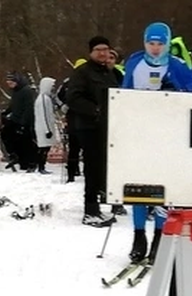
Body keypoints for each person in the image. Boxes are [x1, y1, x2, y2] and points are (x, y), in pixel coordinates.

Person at [122, 22, 192, 262]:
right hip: (140, 133)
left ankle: (159, 237)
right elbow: (123, 96)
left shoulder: (178, 67)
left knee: (163, 188)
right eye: (150, 43)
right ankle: (138, 235)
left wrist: (175, 93)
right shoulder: (134, 63)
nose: (155, 49)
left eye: (160, 44)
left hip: (169, 137)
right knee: (138, 187)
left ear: (167, 43)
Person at [66, 36, 119, 226]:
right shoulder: (82, 72)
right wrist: (95, 110)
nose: (102, 53)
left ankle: (98, 205)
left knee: (102, 168)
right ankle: (90, 209)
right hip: (88, 126)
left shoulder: (109, 73)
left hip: (107, 127)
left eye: (105, 49)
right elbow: (72, 98)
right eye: (98, 50)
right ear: (91, 52)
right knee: (92, 167)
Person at [33, 76, 59, 174]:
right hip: (44, 128)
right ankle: (40, 166)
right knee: (43, 148)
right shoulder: (43, 99)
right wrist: (47, 130)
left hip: (44, 127)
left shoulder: (45, 98)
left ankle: (41, 166)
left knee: (45, 148)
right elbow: (44, 115)